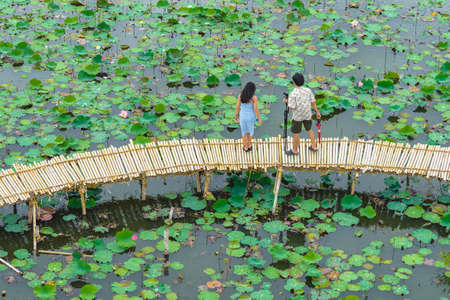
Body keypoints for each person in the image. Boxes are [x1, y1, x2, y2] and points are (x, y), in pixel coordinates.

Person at [284, 73, 321, 155]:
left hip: (298, 117)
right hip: (307, 114)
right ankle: (314, 147)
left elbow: (293, 107)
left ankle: (294, 150)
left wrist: (287, 101)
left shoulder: (293, 93)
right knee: (309, 130)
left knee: (296, 133)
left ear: (294, 83)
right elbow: (313, 103)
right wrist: (317, 112)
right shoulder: (308, 90)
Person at [234, 82, 262, 152]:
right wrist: (259, 118)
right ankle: (249, 145)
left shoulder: (240, 96)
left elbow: (237, 107)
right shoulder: (254, 98)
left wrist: (236, 116)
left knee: (244, 131)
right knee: (250, 130)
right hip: (251, 116)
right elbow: (255, 109)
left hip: (243, 116)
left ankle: (245, 147)